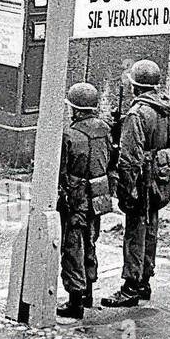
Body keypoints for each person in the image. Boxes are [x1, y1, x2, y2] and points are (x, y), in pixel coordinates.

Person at [103, 59, 170, 308]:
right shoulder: (166, 108)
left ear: (136, 86)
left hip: (143, 178)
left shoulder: (138, 113)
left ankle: (131, 286)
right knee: (151, 228)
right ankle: (145, 279)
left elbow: (129, 157)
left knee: (135, 232)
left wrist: (126, 188)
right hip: (160, 176)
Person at [57, 81, 113, 319]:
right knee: (91, 239)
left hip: (76, 196)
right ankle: (88, 290)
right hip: (98, 194)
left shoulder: (69, 135)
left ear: (76, 109)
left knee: (73, 247)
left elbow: (61, 170)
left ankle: (75, 300)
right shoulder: (105, 129)